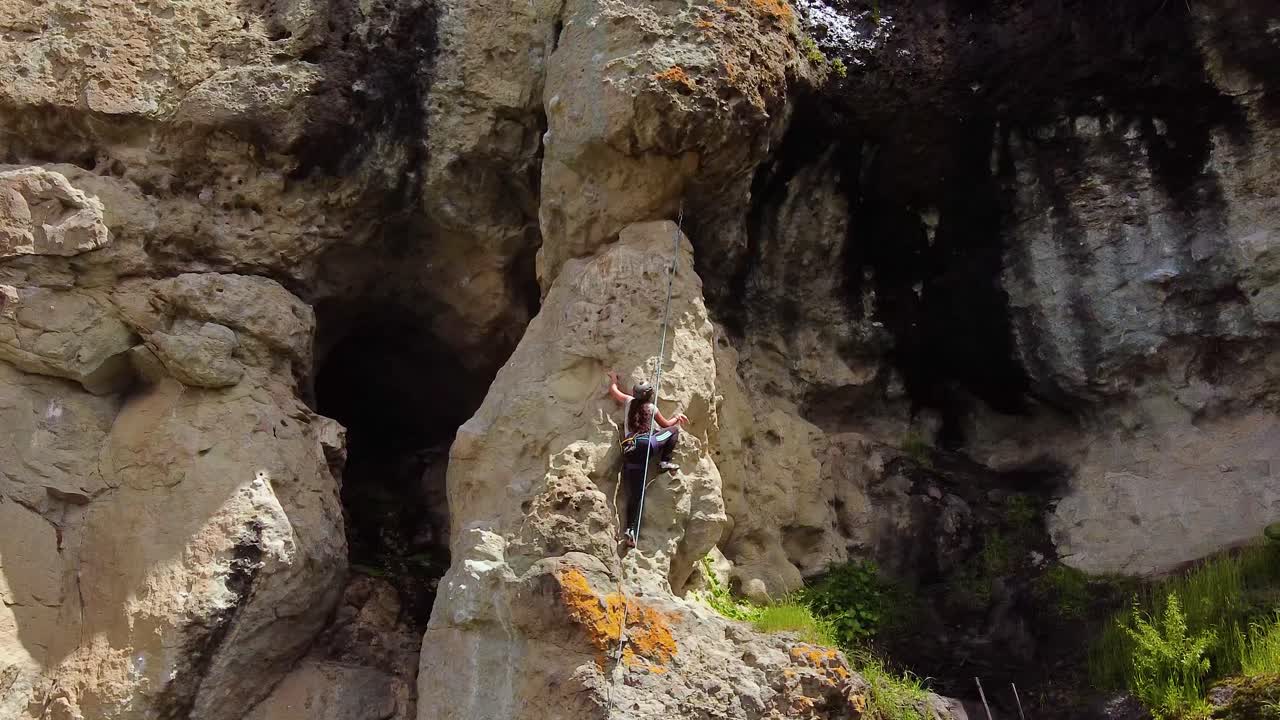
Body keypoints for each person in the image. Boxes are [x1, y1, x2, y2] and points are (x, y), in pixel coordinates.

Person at [606, 370, 688, 548]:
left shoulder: (628, 402)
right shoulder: (652, 408)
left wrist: (613, 378)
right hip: (647, 444)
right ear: (650, 395)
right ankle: (664, 461)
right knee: (673, 431)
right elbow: (667, 425)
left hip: (629, 450)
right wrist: (677, 418)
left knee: (635, 494)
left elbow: (613, 391)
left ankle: (630, 531)